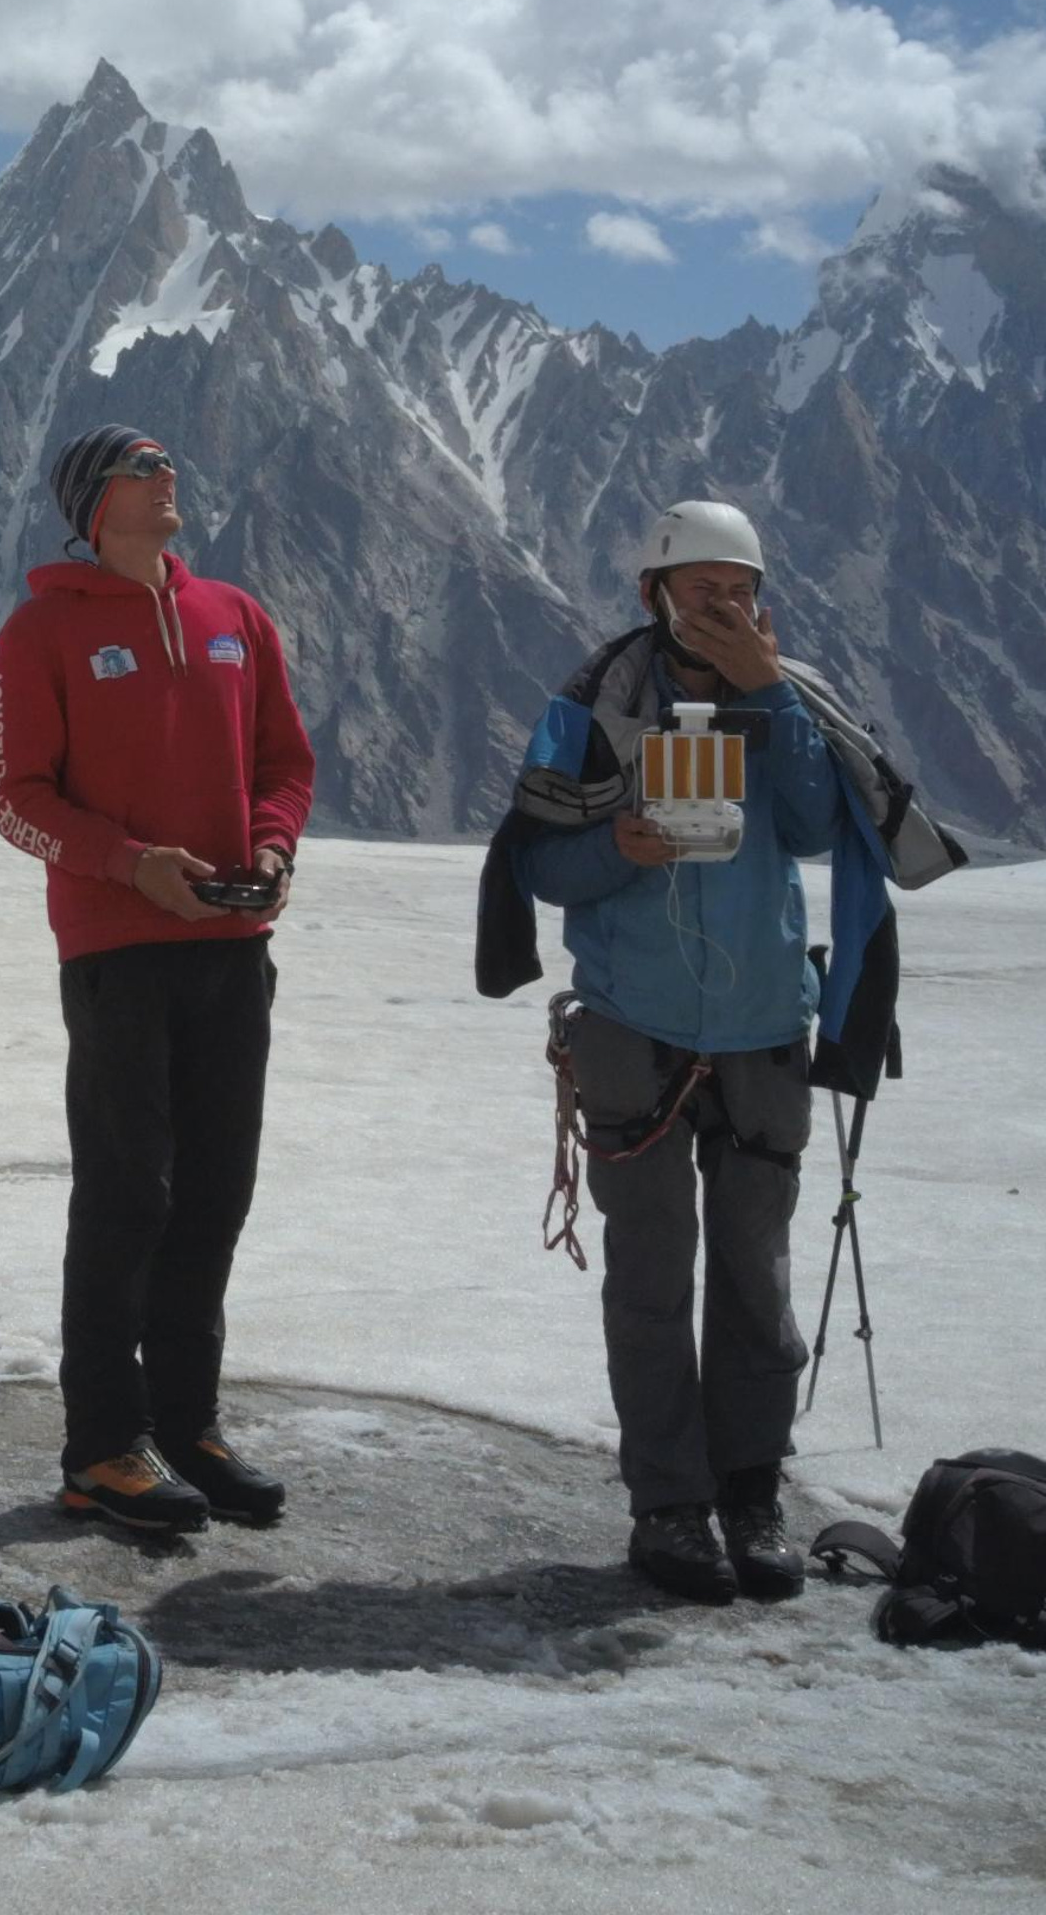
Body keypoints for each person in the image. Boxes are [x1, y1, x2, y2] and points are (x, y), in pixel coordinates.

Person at [479, 498, 961, 1603]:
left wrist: (768, 689)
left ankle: (748, 1489)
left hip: (757, 1029)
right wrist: (619, 844)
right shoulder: (593, 703)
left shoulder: (787, 699)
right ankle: (669, 1505)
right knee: (649, 1281)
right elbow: (542, 865)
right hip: (631, 1027)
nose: (715, 604)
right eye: (695, 588)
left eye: (733, 588)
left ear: (760, 599)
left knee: (754, 1280)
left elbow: (806, 825)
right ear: (653, 594)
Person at [0, 425, 316, 1534]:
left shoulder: (236, 616)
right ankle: (101, 1446)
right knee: (129, 1193)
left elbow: (284, 762)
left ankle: (188, 1423)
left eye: (171, 461)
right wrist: (131, 866)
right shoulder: (41, 631)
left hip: (232, 944)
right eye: (141, 467)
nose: (168, 476)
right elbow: (14, 794)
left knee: (215, 1189)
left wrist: (269, 850)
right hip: (118, 951)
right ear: (92, 500)